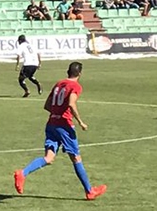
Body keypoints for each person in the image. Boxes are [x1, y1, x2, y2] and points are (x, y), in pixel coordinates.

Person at [13, 62, 107, 201]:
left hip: (51, 123)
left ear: (67, 72)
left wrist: (56, 113)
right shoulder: (75, 86)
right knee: (76, 157)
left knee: (49, 158)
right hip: (65, 126)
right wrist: (80, 121)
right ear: (79, 73)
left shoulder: (58, 84)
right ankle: (89, 191)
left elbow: (47, 105)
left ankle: (23, 173)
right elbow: (71, 103)